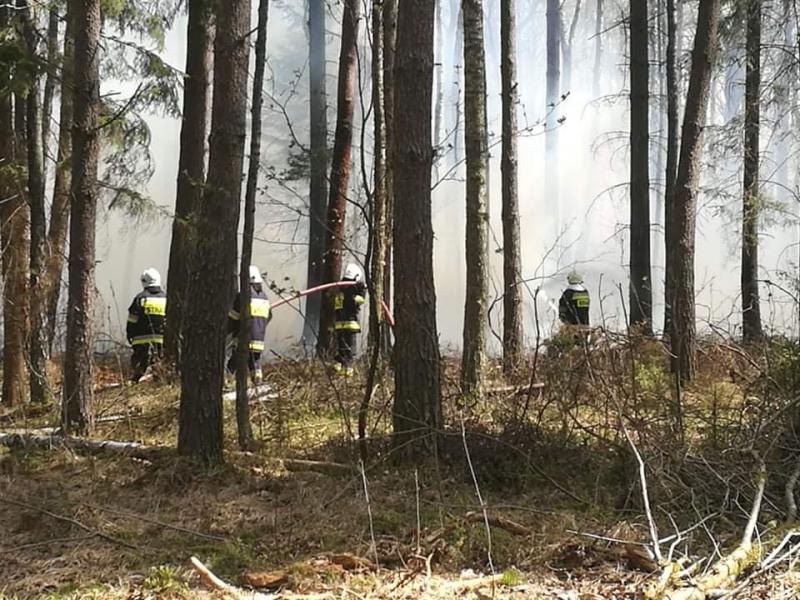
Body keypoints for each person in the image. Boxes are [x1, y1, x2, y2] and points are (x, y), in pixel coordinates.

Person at [228, 265, 272, 384]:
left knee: (233, 362)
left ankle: (227, 382)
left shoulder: (243, 296)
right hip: (259, 339)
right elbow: (269, 316)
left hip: (243, 338)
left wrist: (226, 332)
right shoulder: (265, 298)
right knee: (255, 362)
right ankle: (258, 383)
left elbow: (233, 317)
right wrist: (260, 327)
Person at [126, 268, 167, 382]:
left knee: (139, 366)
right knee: (159, 363)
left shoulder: (140, 298)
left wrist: (129, 334)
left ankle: (136, 381)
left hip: (140, 341)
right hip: (161, 340)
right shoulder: (166, 298)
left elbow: (132, 320)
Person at [333, 263, 367, 377]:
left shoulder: (340, 289)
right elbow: (358, 301)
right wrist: (361, 291)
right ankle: (347, 370)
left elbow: (337, 307)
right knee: (350, 350)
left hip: (340, 325)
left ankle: (340, 366)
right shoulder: (352, 290)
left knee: (342, 347)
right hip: (350, 324)